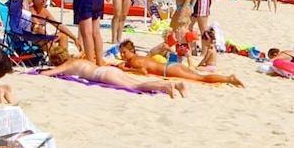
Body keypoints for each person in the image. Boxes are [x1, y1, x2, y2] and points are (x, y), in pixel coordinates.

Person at [40, 57, 186, 98]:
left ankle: (166, 86)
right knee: (140, 82)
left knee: (136, 87)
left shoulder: (66, 66)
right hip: (107, 69)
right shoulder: (78, 60)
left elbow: (47, 74)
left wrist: (40, 72)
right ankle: (177, 84)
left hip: (102, 75)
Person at [116, 40, 243, 86]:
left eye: (124, 53)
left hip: (169, 70)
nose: (122, 56)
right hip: (171, 66)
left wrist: (126, 70)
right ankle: (228, 78)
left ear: (131, 51)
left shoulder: (134, 60)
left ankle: (228, 78)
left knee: (201, 78)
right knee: (199, 76)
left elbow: (143, 71)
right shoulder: (138, 58)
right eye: (121, 53)